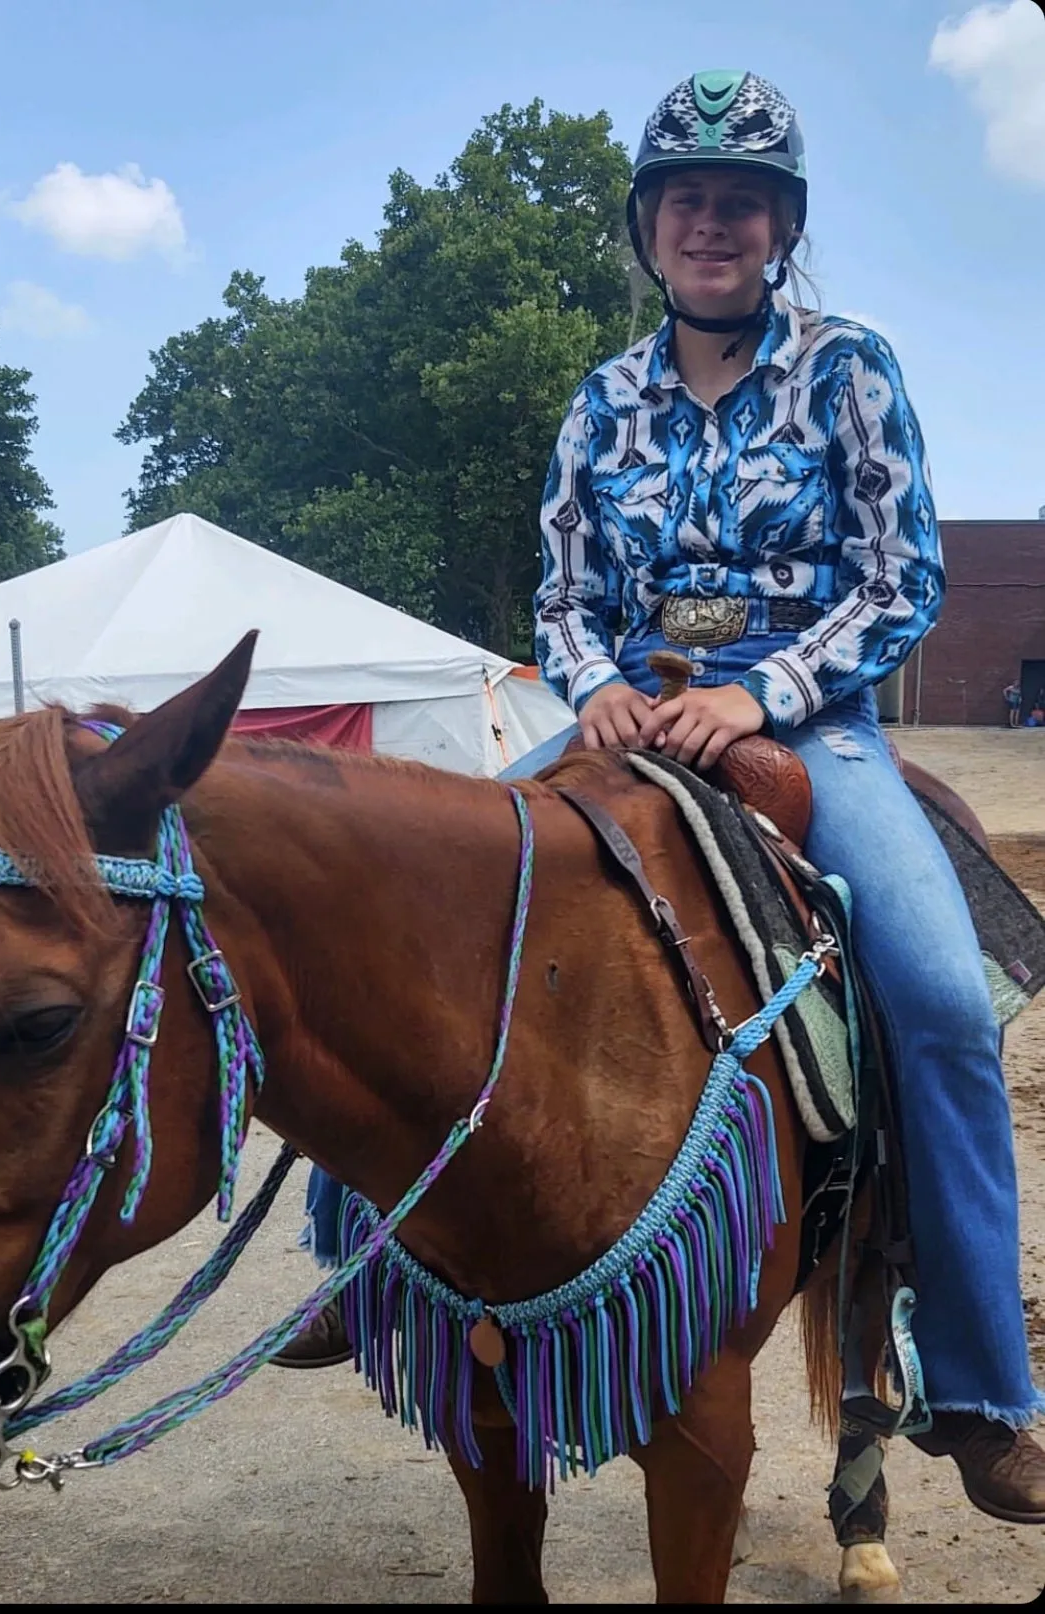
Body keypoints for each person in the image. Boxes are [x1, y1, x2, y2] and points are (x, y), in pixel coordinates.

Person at [531, 68, 1045, 1521]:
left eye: (740, 201)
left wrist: (762, 689)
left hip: (809, 722)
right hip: (629, 710)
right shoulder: (601, 398)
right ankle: (369, 1270)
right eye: (686, 198)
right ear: (648, 224)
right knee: (408, 898)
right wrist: (595, 685)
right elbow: (560, 592)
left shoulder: (850, 368)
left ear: (782, 226)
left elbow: (910, 580)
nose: (712, 221)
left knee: (943, 998)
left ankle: (986, 1390)